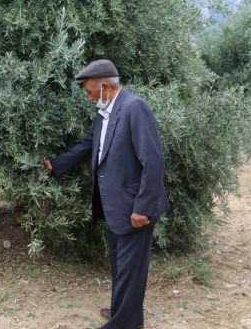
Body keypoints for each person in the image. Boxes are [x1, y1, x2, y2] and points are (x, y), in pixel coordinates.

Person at [43, 59, 169, 329]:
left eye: (90, 92)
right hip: (115, 207)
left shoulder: (135, 108)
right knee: (121, 267)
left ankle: (122, 323)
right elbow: (89, 145)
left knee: (130, 270)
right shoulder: (105, 113)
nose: (89, 98)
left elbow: (154, 161)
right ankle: (126, 315)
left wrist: (143, 208)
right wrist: (57, 164)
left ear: (105, 86)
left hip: (135, 208)